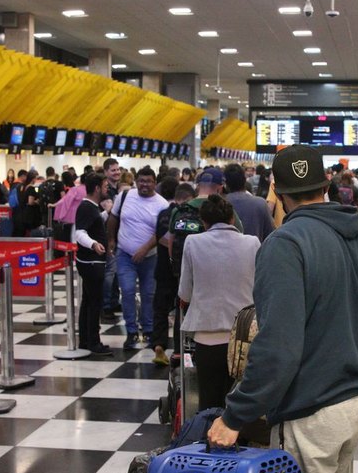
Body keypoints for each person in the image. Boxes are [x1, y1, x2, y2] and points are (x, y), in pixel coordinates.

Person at [207, 145, 358, 473]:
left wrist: (234, 416)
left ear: (277, 193)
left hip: (308, 409)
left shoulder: (285, 244)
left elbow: (278, 349)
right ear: (326, 183)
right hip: (355, 404)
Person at [178, 195, 261, 410]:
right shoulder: (252, 243)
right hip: (245, 337)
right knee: (241, 404)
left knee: (209, 403)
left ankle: (210, 441)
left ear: (204, 222)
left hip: (207, 337)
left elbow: (184, 293)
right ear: (232, 218)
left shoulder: (193, 242)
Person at [107, 167, 170, 349]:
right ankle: (131, 331)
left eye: (148, 181)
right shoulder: (125, 197)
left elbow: (161, 232)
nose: (144, 185)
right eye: (141, 181)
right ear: (136, 181)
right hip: (124, 254)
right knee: (126, 291)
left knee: (148, 294)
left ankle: (149, 330)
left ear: (155, 182)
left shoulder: (162, 204)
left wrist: (144, 249)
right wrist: (111, 239)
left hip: (150, 257)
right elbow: (113, 218)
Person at [152, 182, 196, 365]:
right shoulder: (193, 216)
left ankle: (158, 345)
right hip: (182, 271)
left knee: (160, 308)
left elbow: (161, 238)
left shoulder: (163, 214)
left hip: (163, 269)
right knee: (181, 308)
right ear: (188, 198)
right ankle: (180, 350)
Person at [74, 173, 112, 356]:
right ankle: (93, 342)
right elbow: (80, 233)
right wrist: (94, 244)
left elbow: (93, 224)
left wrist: (106, 213)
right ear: (96, 188)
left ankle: (85, 340)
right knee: (94, 302)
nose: (107, 189)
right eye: (105, 186)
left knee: (88, 301)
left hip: (90, 262)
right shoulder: (86, 207)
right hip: (91, 262)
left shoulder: (91, 208)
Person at [224, 163, 274, 242]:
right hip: (255, 252)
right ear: (245, 180)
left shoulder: (220, 204)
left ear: (225, 183)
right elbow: (270, 235)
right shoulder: (260, 204)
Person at [102, 158, 122, 322]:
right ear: (106, 172)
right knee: (109, 272)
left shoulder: (118, 191)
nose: (116, 172)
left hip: (118, 234)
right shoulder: (106, 191)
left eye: (118, 169)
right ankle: (106, 305)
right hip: (108, 235)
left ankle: (114, 301)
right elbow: (110, 211)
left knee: (116, 272)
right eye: (113, 170)